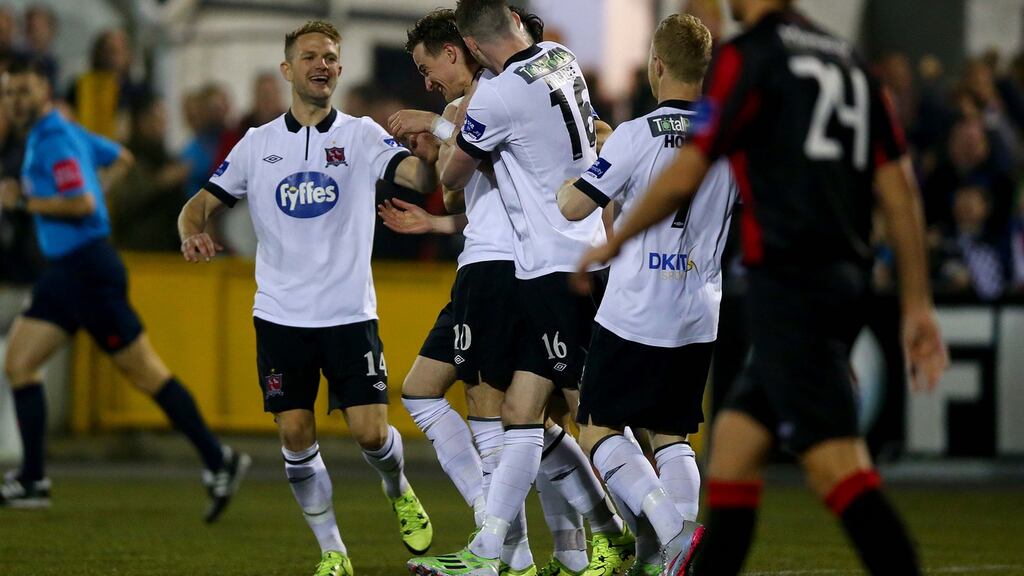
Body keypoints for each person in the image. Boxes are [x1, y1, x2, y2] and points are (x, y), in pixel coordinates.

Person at [575, 1, 949, 575]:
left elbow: (690, 166)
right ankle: (685, 557)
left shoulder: (750, 59)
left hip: (793, 282)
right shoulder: (848, 61)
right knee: (734, 444)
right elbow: (899, 187)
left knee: (836, 467)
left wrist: (615, 239)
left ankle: (678, 541)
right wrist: (916, 303)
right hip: (825, 281)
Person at [177, 21, 439, 576]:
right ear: (288, 69)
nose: (323, 64)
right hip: (280, 317)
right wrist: (191, 232)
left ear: (340, 71)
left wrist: (431, 151)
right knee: (296, 437)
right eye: (311, 56)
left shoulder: (364, 136)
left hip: (348, 313)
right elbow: (197, 205)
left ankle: (397, 487)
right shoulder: (257, 145)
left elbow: (414, 178)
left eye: (331, 58)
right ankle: (333, 552)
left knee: (371, 433)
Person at [409, 2, 630, 576]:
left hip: (510, 266)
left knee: (537, 410)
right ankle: (570, 546)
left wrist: (439, 130)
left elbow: (450, 184)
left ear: (464, 49)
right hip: (532, 261)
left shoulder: (492, 95)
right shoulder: (550, 65)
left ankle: (543, 547)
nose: (428, 82)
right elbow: (593, 135)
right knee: (535, 411)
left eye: (430, 67)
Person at [0, 57, 249, 521]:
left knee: (146, 374)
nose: (15, 101)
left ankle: (220, 459)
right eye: (9, 92)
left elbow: (80, 202)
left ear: (46, 93)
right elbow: (121, 158)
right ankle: (32, 478)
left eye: (24, 91)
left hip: (86, 271)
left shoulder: (53, 139)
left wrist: (24, 201)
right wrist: (94, 201)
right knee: (20, 362)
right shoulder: (59, 131)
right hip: (71, 271)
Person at [556, 14, 734, 576]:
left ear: (657, 65)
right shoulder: (730, 138)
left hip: (635, 308)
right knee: (672, 434)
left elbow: (574, 206)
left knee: (599, 429)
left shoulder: (634, 134)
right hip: (698, 310)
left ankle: (674, 533)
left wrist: (583, 166)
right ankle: (672, 562)